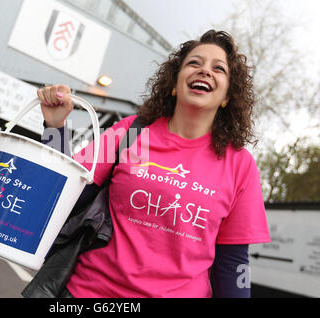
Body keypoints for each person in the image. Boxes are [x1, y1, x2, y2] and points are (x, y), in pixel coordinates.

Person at [31, 30, 271, 298]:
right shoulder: (132, 133)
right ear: (174, 82)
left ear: (227, 96)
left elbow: (233, 261)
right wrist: (55, 127)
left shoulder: (240, 165)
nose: (205, 71)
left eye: (218, 68)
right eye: (194, 63)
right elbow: (57, 193)